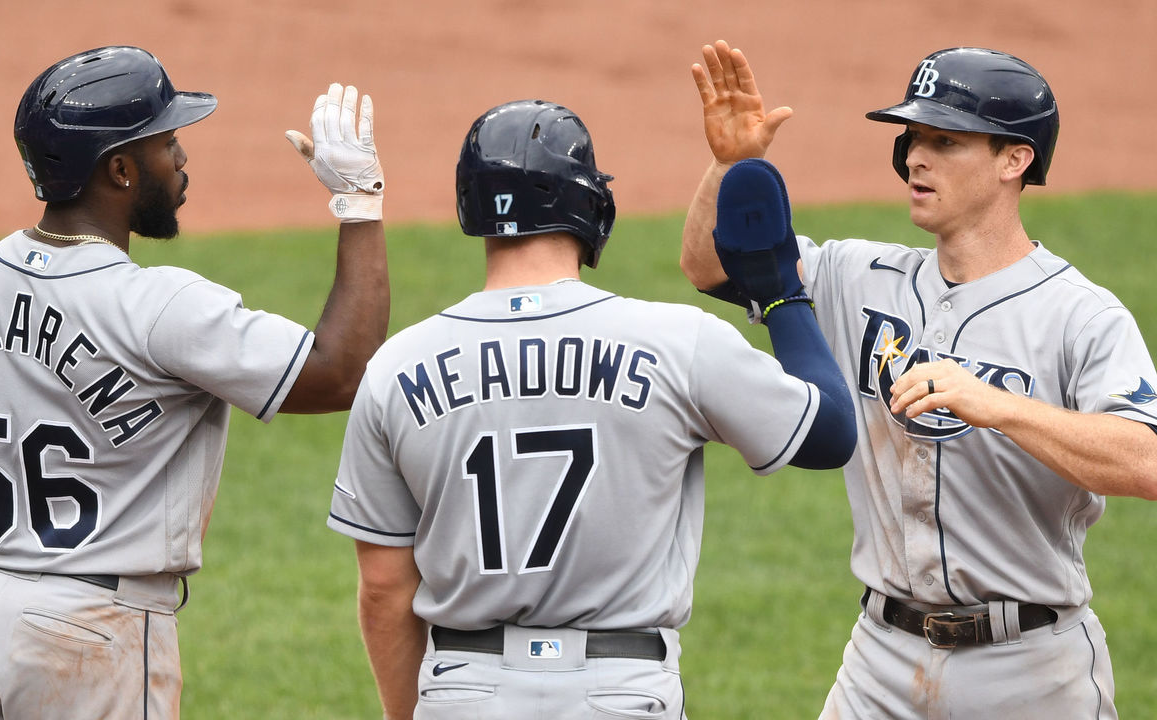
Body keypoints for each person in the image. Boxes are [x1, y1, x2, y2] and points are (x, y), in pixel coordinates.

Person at [681, 41, 1157, 719]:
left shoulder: (1079, 315)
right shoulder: (855, 277)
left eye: (945, 141)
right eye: (913, 139)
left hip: (1031, 668)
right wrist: (731, 164)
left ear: (1014, 159)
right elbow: (711, 264)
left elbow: (1148, 464)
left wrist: (998, 406)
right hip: (882, 660)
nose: (915, 157)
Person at [325, 98, 857, 719]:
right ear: (588, 206)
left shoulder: (396, 366)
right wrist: (782, 296)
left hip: (463, 691)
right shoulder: (674, 341)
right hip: (620, 691)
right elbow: (828, 434)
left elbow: (385, 588)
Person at [0, 46, 391, 719]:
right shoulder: (159, 305)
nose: (180, 159)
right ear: (119, 169)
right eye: (167, 143)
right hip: (93, 634)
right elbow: (341, 371)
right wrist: (360, 202)